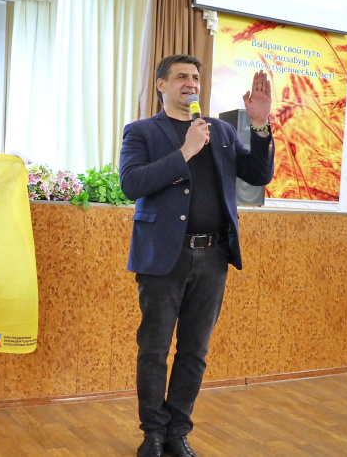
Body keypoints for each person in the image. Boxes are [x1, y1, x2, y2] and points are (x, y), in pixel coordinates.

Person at [119, 54, 275, 457]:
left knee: (194, 352)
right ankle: (153, 433)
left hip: (212, 257)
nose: (190, 83)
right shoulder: (141, 132)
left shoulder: (220, 131)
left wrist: (260, 124)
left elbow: (258, 175)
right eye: (181, 77)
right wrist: (185, 152)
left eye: (195, 77)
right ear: (161, 85)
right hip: (162, 258)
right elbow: (131, 184)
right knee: (154, 350)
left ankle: (177, 432)